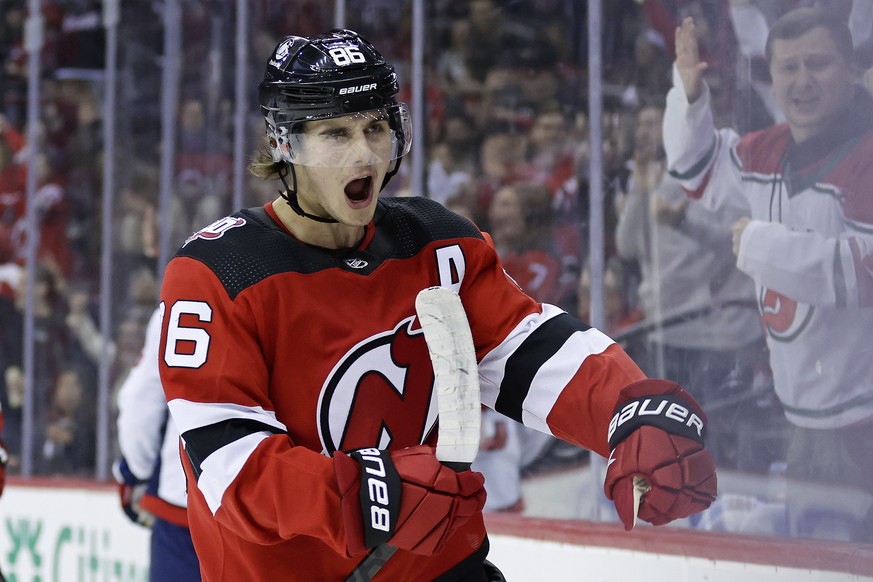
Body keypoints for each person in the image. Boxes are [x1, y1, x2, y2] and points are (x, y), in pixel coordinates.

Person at [158, 29, 717, 581]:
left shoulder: (437, 244)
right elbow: (229, 466)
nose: (364, 154)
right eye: (335, 133)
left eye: (375, 128)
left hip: (440, 569)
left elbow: (528, 351)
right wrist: (366, 496)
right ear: (285, 145)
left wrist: (629, 412)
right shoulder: (218, 274)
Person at [664, 8, 873, 541]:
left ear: (851, 69)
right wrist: (689, 95)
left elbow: (861, 272)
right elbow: (698, 168)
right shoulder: (768, 150)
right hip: (805, 418)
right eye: (789, 67)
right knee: (817, 558)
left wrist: (759, 244)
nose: (802, 81)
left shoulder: (867, 155)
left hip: (866, 419)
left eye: (818, 64)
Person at [614, 103, 773, 471]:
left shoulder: (727, 180)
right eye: (644, 125)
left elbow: (731, 244)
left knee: (715, 439)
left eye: (655, 123)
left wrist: (682, 221)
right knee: (666, 440)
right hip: (664, 333)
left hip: (713, 336)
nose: (648, 133)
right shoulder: (653, 179)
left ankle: (721, 512)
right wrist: (639, 192)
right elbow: (627, 247)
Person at [114, 307, 200, 582]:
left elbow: (141, 401)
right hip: (270, 503)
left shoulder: (178, 303)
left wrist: (138, 469)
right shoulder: (305, 289)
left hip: (186, 498)